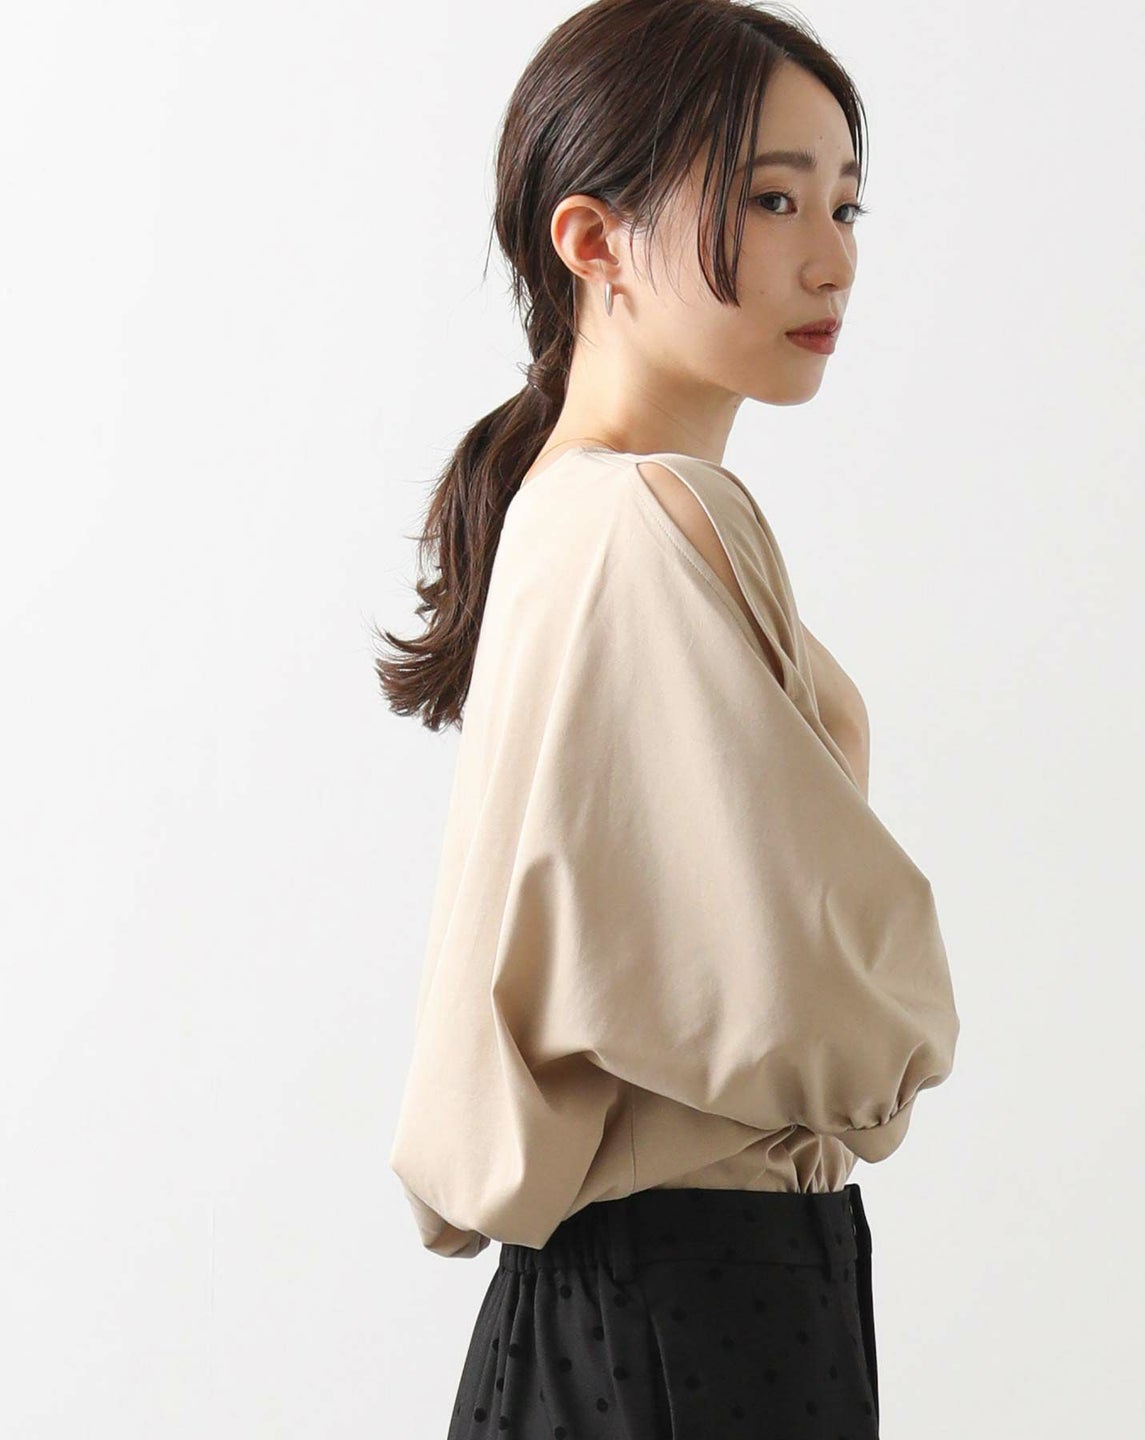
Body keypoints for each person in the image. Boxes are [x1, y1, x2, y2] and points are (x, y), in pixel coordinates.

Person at [372, 2, 961, 1434]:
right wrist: (887, 1062)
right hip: (702, 1302)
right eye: (769, 200)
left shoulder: (567, 505)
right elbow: (812, 994)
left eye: (844, 204)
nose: (832, 259)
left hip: (630, 1298)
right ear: (593, 239)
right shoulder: (654, 515)